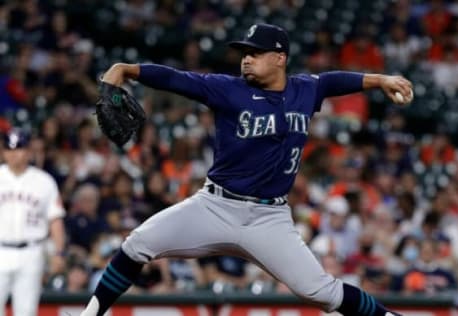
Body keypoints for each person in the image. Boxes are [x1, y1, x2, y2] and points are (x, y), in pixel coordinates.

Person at [80, 23, 411, 316]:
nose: (246, 59)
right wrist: (127, 69)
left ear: (279, 58)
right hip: (215, 207)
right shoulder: (229, 89)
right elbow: (177, 79)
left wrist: (380, 79)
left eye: (255, 52)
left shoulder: (305, 89)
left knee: (322, 292)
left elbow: (335, 81)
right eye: (244, 53)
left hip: (270, 219)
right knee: (137, 245)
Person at [0, 128, 66, 316]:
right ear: (3, 152)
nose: (14, 154)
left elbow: (55, 220)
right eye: (9, 149)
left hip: (32, 252)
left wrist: (59, 253)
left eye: (19, 148)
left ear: (29, 151)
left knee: (26, 311)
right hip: (0, 250)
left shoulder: (44, 181)